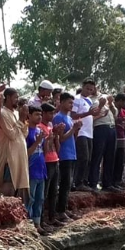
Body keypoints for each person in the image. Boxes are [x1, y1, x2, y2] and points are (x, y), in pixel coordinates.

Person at [0, 88, 29, 202]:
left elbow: (24, 134)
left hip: (19, 157)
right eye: (15, 97)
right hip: (10, 157)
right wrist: (21, 120)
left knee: (18, 186)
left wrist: (23, 120)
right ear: (8, 98)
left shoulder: (15, 113)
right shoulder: (3, 113)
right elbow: (12, 135)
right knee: (8, 184)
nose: (17, 100)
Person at [53, 92, 82, 222]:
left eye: (72, 103)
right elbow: (61, 138)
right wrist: (73, 129)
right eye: (69, 102)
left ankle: (64, 209)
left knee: (68, 183)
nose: (71, 105)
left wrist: (76, 130)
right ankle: (60, 211)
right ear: (62, 102)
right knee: (64, 183)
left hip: (71, 153)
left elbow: (72, 137)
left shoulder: (69, 118)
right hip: (64, 154)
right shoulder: (59, 118)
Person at [72, 78, 99, 191]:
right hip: (81, 131)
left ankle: (83, 180)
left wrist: (100, 113)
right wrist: (88, 113)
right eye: (87, 88)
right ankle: (78, 182)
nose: (89, 91)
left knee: (88, 158)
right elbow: (73, 115)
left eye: (91, 90)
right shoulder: (76, 99)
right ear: (82, 87)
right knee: (83, 157)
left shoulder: (89, 101)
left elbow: (91, 116)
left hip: (89, 132)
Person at [24, 106, 48, 234]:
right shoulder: (26, 131)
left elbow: (44, 150)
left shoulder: (40, 130)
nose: (39, 117)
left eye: (40, 114)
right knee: (30, 198)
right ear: (29, 115)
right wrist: (38, 140)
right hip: (31, 169)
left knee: (40, 198)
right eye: (36, 114)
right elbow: (26, 153)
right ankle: (28, 225)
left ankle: (37, 223)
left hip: (41, 168)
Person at [39, 102, 62, 229]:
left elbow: (57, 148)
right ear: (44, 113)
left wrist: (57, 135)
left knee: (54, 192)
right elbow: (44, 149)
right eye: (50, 113)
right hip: (46, 162)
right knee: (45, 192)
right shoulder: (40, 127)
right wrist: (49, 138)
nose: (52, 115)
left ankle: (52, 218)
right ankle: (42, 220)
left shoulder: (50, 126)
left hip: (55, 160)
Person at [113, 94, 125, 188]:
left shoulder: (124, 111)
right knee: (112, 160)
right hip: (113, 137)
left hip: (122, 137)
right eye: (124, 101)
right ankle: (111, 181)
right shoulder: (112, 109)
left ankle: (117, 181)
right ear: (119, 101)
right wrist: (118, 120)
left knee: (120, 160)